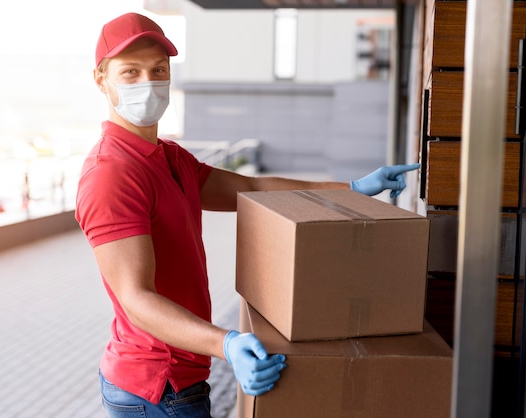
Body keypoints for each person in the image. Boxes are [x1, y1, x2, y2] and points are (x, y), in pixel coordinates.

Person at [75, 12, 420, 418]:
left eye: (158, 70)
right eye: (130, 72)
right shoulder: (111, 174)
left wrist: (353, 189)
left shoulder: (169, 158)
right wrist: (227, 343)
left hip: (177, 379)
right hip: (156, 388)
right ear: (102, 80)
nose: (148, 83)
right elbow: (136, 298)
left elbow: (253, 189)